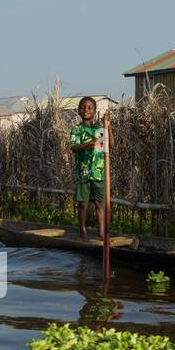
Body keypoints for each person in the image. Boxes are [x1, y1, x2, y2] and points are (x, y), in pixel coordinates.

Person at [69, 96, 106, 241]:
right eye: (83, 107)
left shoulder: (100, 129)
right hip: (83, 172)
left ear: (95, 111)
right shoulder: (76, 129)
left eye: (89, 107)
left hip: (98, 172)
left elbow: (111, 145)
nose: (86, 110)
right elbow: (73, 147)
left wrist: (108, 126)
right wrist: (87, 145)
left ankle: (101, 233)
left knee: (99, 203)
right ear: (78, 110)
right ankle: (83, 232)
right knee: (83, 203)